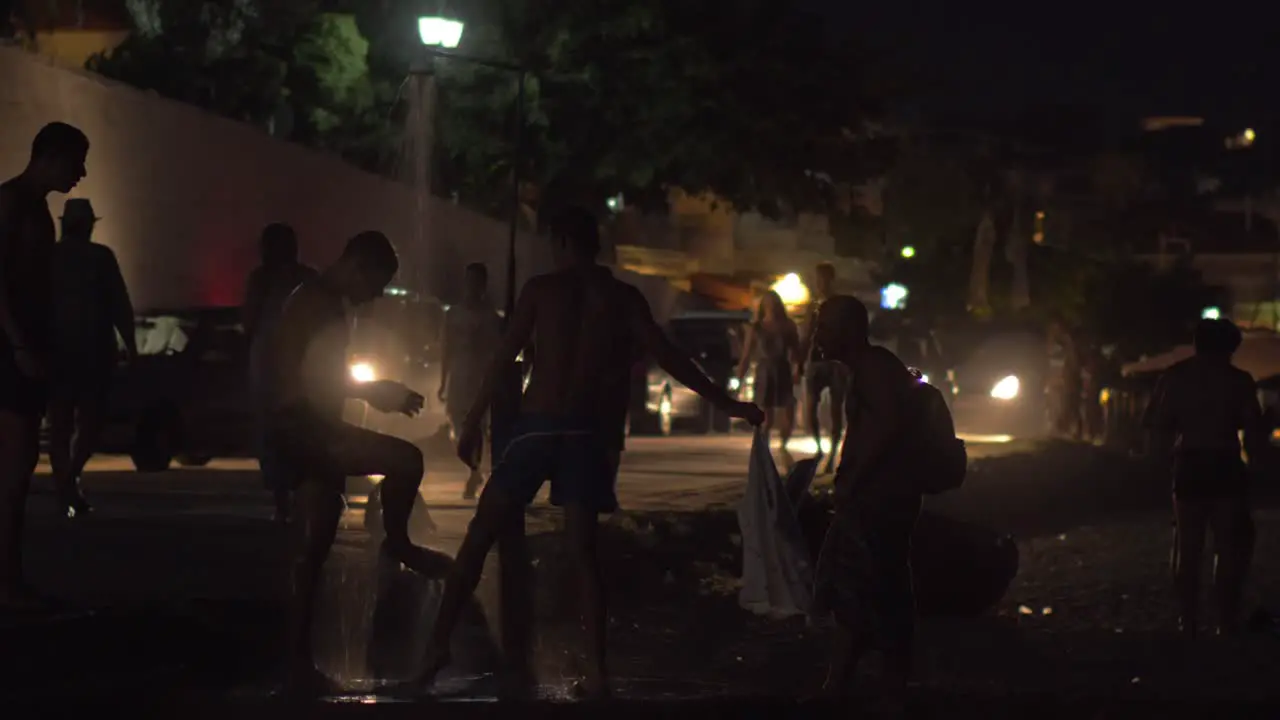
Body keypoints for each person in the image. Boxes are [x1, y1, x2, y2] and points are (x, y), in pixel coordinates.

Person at [411, 207, 763, 698]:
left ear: (560, 242)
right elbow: (670, 356)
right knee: (583, 552)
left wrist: (472, 421)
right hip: (584, 433)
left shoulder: (542, 290)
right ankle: (597, 672)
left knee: (479, 537)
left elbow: (503, 354)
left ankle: (436, 649)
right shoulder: (621, 299)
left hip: (537, 428)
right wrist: (729, 404)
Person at [264, 230, 447, 692]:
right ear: (356, 266)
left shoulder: (311, 300)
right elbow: (309, 380)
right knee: (406, 459)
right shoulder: (319, 304)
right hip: (308, 429)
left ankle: (296, 663)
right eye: (378, 284)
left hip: (296, 427)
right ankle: (399, 544)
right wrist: (375, 392)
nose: (377, 296)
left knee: (314, 548)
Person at [810, 295, 922, 709]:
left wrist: (854, 479)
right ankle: (842, 684)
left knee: (874, 588)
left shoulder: (875, 369)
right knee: (861, 590)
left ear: (849, 330)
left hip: (879, 498)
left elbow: (886, 427)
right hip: (878, 496)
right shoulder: (872, 368)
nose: (817, 335)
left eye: (824, 326)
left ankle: (886, 685)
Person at [0, 122, 88, 610]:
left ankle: (10, 576)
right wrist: (17, 345)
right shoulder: (12, 204)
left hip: (26, 350)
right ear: (51, 157)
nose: (82, 173)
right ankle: (6, 582)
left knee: (19, 467)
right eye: (76, 162)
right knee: (13, 469)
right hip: (12, 353)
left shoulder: (34, 208)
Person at [1145, 318, 1265, 638]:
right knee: (1228, 545)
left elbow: (1158, 429)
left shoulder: (1175, 377)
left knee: (1188, 544)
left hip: (1190, 463)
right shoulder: (1238, 381)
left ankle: (1188, 620)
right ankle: (1225, 621)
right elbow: (1253, 431)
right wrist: (1258, 466)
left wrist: (1155, 468)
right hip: (1225, 463)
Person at [47, 198, 136, 518]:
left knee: (59, 424)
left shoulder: (48, 258)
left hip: (55, 354)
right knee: (90, 423)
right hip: (94, 353)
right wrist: (132, 346)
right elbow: (120, 305)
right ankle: (69, 481)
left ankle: (65, 485)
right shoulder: (101, 258)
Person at [243, 223, 318, 523]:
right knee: (302, 428)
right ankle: (299, 495)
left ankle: (283, 500)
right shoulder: (307, 279)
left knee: (273, 432)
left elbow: (249, 321)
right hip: (301, 364)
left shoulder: (261, 280)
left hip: (269, 364)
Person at [438, 262, 502, 500]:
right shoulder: (453, 314)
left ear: (483, 285)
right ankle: (472, 467)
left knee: (476, 425)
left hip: (480, 377)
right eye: (469, 281)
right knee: (458, 424)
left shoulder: (491, 318)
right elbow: (446, 348)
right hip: (459, 375)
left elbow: (497, 350)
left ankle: (474, 471)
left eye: (477, 281)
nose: (472, 286)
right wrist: (443, 381)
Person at [737, 289, 801, 467]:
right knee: (767, 416)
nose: (771, 307)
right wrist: (740, 375)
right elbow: (746, 354)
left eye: (774, 303)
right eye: (768, 303)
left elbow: (796, 351)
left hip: (782, 370)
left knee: (788, 409)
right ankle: (762, 450)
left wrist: (797, 369)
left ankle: (783, 444)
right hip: (765, 371)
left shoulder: (788, 325)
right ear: (763, 306)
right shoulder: (756, 327)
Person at [798, 262, 847, 474]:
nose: (820, 283)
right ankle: (819, 449)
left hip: (836, 362)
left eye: (824, 279)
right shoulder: (813, 305)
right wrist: (799, 361)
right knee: (810, 409)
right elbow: (806, 334)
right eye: (818, 279)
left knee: (836, 409)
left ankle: (833, 454)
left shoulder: (840, 305)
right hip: (816, 360)